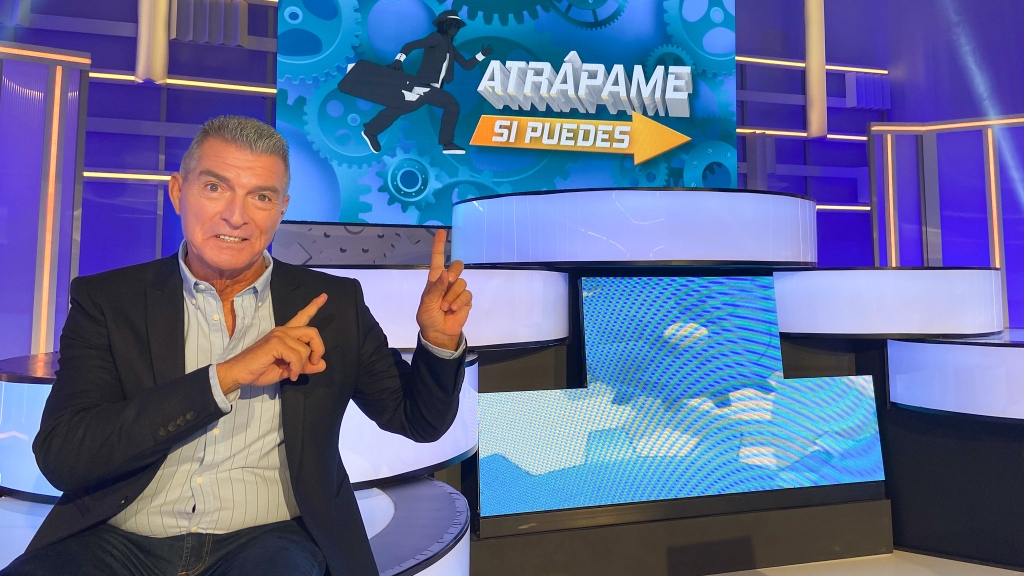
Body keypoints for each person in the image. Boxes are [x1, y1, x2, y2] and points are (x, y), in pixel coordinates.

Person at [1, 116, 472, 576]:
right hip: (121, 537)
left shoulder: (332, 304)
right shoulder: (109, 301)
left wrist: (439, 339)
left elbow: (418, 420)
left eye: (261, 197)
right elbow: (65, 455)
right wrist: (226, 376)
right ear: (178, 192)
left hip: (268, 541)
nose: (236, 215)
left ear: (281, 208)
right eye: (215, 187)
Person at [360, 10, 493, 155]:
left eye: (457, 26)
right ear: (445, 26)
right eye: (453, 25)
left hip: (431, 88)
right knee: (449, 105)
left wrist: (482, 54)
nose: (456, 29)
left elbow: (466, 65)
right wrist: (398, 60)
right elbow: (410, 45)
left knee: (402, 108)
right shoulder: (436, 38)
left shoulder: (450, 46)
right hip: (423, 85)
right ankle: (447, 143)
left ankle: (371, 131)